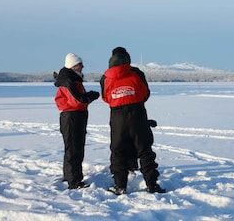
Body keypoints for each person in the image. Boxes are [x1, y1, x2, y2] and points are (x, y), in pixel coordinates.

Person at [100, 47, 165, 195]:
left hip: (117, 117)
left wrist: (119, 98)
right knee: (145, 150)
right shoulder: (136, 73)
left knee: (118, 152)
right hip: (137, 113)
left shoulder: (105, 77)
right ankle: (152, 184)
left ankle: (120, 186)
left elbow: (105, 97)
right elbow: (145, 93)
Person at [53, 53, 100, 189]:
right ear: (73, 66)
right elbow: (78, 100)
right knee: (74, 149)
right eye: (80, 64)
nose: (82, 67)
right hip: (72, 117)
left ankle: (70, 176)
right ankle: (74, 181)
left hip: (73, 117)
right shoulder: (70, 81)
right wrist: (91, 95)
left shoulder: (71, 79)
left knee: (72, 148)